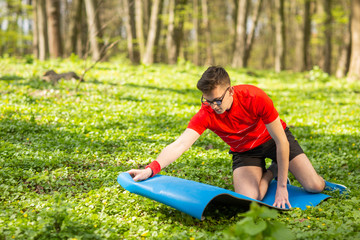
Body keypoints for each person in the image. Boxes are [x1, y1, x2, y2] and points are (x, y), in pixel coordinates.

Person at [128, 66, 327, 209]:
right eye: (207, 100)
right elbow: (180, 144)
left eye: (217, 100)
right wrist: (151, 168)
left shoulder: (255, 97)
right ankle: (271, 172)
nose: (213, 106)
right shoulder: (206, 113)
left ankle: (280, 172)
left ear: (230, 90)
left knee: (315, 186)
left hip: (272, 141)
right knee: (249, 199)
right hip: (245, 151)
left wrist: (282, 187)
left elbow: (281, 140)